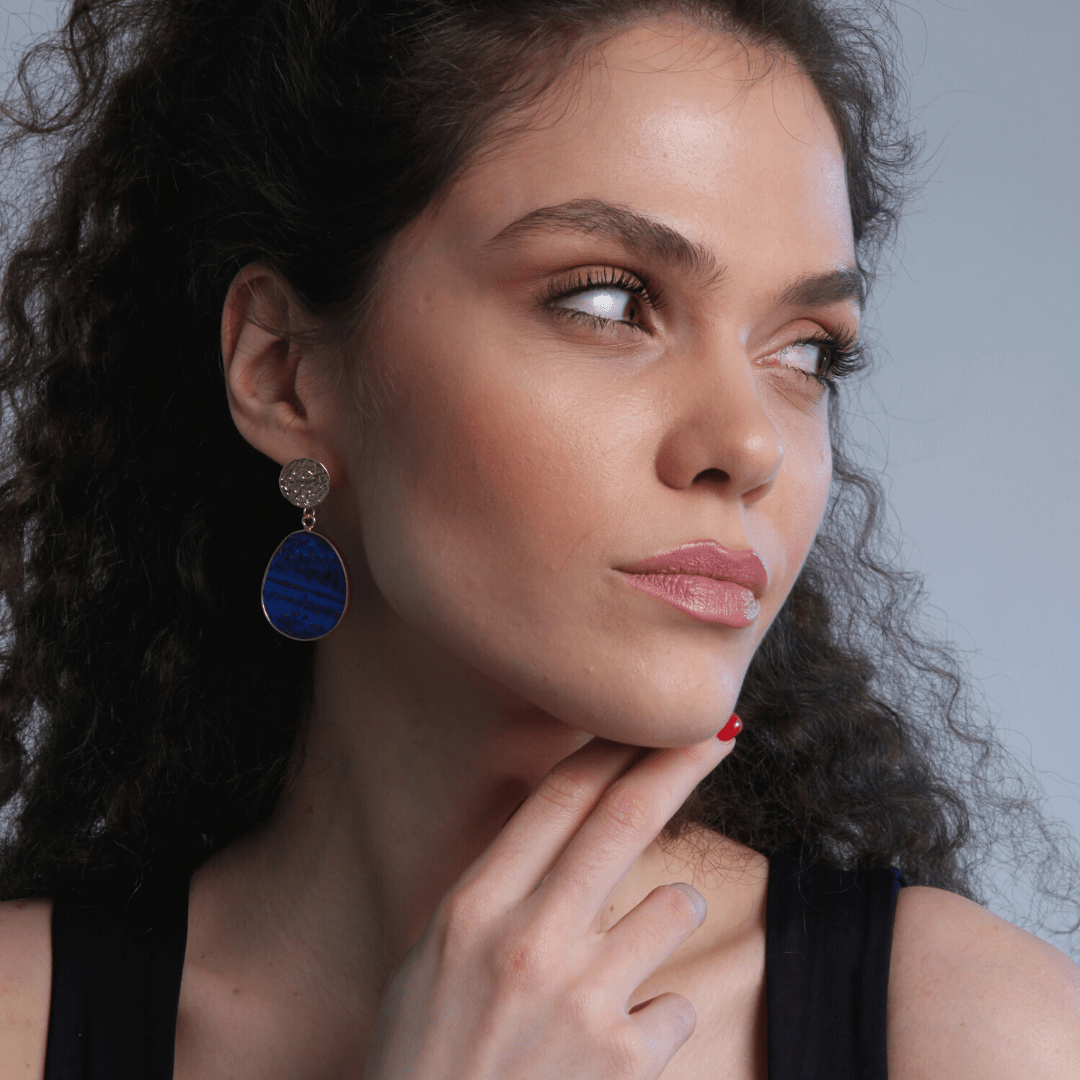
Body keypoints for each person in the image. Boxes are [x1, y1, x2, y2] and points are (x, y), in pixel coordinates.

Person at [0, 0, 1076, 1077]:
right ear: (285, 370)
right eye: (609, 301)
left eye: (805, 354)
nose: (750, 444)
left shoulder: (983, 1039)